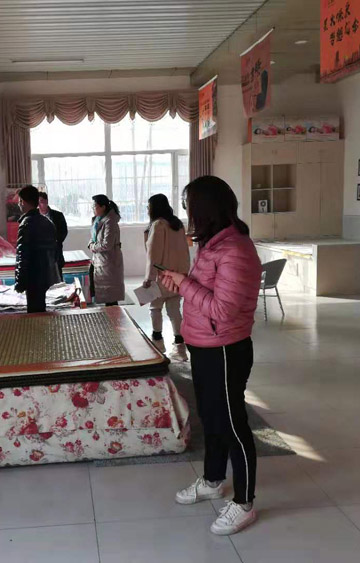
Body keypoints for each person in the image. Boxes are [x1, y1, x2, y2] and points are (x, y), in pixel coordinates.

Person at [160, 176, 262, 536]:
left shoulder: (235, 249)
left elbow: (223, 309)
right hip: (204, 345)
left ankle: (244, 502)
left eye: (189, 207)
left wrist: (185, 284)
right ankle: (213, 479)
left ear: (204, 209)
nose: (187, 214)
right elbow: (207, 291)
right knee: (210, 417)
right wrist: (181, 281)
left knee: (232, 424)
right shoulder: (212, 243)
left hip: (225, 349)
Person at [143, 193, 190, 361]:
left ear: (154, 208)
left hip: (161, 276)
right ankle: (180, 348)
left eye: (148, 206)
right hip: (177, 276)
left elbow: (153, 255)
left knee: (155, 308)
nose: (147, 209)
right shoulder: (177, 224)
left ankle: (158, 342)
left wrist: (149, 277)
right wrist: (184, 274)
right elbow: (185, 251)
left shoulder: (158, 225)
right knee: (174, 310)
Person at [15, 185, 61, 313]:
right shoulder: (47, 222)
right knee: (40, 307)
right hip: (46, 273)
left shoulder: (26, 223)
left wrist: (20, 281)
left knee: (34, 312)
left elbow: (23, 254)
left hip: (32, 274)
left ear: (23, 202)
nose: (19, 204)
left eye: (19, 201)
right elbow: (55, 250)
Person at [89, 195, 124, 306]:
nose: (93, 208)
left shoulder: (110, 221)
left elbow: (107, 244)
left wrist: (93, 247)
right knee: (104, 294)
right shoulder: (97, 220)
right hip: (99, 259)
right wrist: (91, 244)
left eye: (95, 206)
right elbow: (94, 238)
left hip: (109, 261)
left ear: (103, 207)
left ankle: (114, 316)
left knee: (111, 297)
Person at [38, 192, 68, 278]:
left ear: (46, 201)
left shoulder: (58, 215)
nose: (39, 205)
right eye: (37, 202)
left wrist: (55, 241)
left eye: (41, 201)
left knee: (57, 278)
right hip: (39, 255)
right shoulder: (34, 217)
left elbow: (64, 232)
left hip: (55, 253)